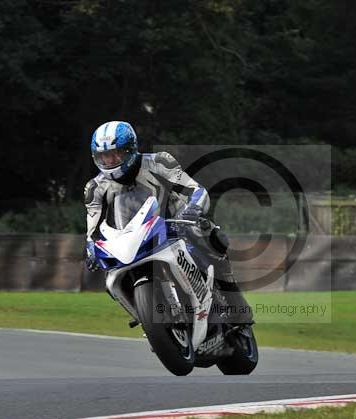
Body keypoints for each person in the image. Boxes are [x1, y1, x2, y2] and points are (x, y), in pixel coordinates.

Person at [82, 120, 253, 326]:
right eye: (104, 156)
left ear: (130, 149)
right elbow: (92, 227)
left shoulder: (159, 162)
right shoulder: (95, 188)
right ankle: (145, 317)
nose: (110, 160)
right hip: (130, 239)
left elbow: (195, 189)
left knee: (209, 234)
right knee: (110, 279)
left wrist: (194, 209)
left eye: (115, 154)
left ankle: (235, 303)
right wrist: (91, 248)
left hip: (175, 225)